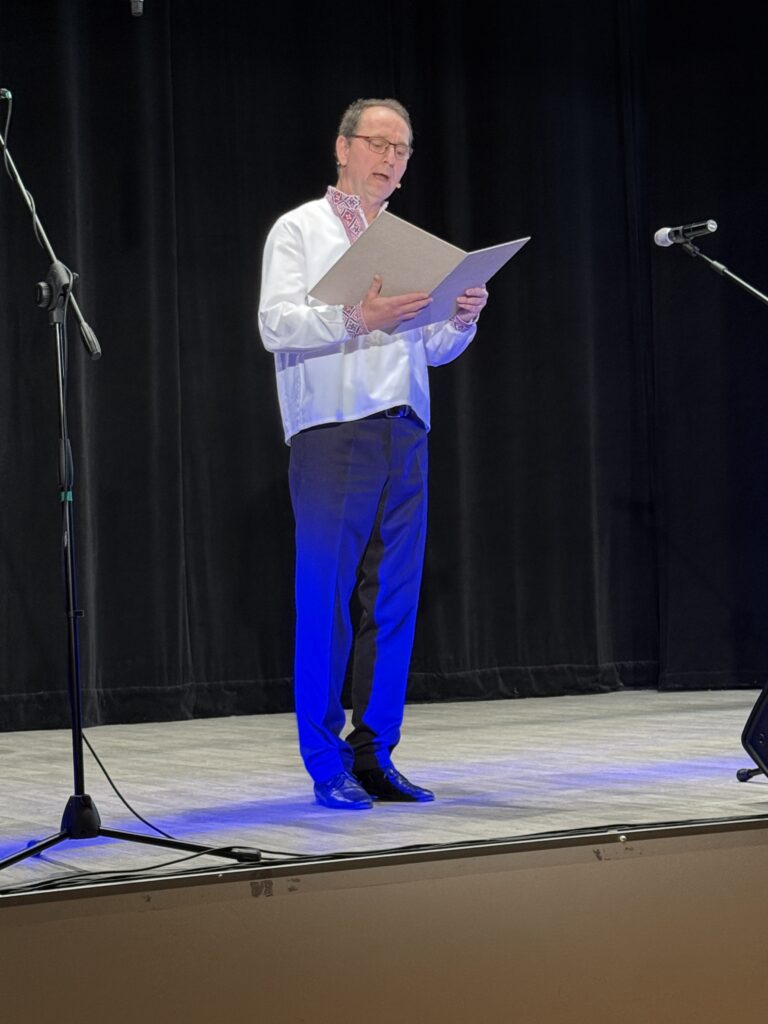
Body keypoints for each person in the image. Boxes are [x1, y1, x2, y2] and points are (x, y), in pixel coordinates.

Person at [258, 98, 488, 809]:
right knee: (325, 598)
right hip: (334, 429)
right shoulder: (300, 228)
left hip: (404, 428)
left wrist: (461, 317)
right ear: (343, 148)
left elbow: (432, 348)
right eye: (378, 143)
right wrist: (360, 316)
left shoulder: (408, 243)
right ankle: (324, 760)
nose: (390, 158)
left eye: (402, 149)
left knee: (393, 600)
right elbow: (275, 324)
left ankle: (376, 754)